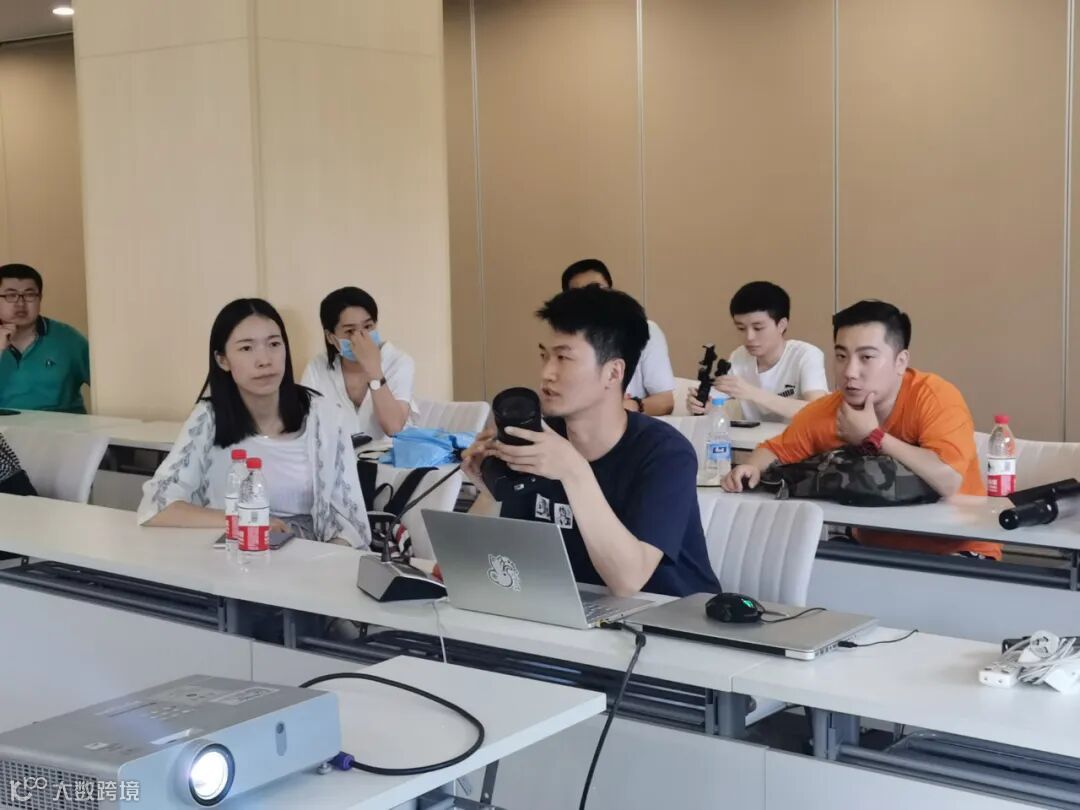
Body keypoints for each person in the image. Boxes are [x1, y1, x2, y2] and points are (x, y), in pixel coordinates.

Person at [462, 285, 720, 597]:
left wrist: (574, 471)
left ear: (613, 373)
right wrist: (491, 490)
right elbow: (472, 565)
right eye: (544, 356)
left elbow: (628, 581)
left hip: (667, 615)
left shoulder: (666, 453)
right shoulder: (539, 440)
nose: (547, 373)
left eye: (563, 358)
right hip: (573, 608)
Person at [722, 299, 998, 559]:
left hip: (956, 550)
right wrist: (752, 468)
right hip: (871, 550)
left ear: (900, 361)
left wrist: (874, 436)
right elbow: (775, 450)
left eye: (866, 357)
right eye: (841, 356)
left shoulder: (934, 397)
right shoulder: (831, 409)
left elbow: (949, 481)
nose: (850, 371)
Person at [138, 298, 370, 547]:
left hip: (306, 553)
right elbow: (156, 506)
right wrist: (246, 520)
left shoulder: (324, 416)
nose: (264, 360)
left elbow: (352, 523)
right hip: (229, 553)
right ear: (222, 360)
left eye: (274, 344)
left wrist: (318, 561)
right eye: (247, 348)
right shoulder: (208, 417)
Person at [688, 281, 828, 422]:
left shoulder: (806, 355)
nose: (749, 337)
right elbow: (716, 402)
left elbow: (818, 412)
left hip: (797, 436)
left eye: (758, 328)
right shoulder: (738, 356)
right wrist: (704, 406)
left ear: (781, 325)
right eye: (741, 328)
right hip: (753, 436)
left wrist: (751, 392)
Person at [301, 286, 417, 441]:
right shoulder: (317, 368)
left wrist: (373, 369)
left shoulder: (399, 361)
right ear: (330, 337)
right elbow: (306, 427)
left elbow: (394, 427)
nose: (361, 337)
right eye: (350, 331)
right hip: (341, 455)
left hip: (393, 454)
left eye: (368, 327)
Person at [562, 259, 675, 416]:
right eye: (579, 295)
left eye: (597, 290)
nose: (591, 299)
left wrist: (628, 406)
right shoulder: (563, 339)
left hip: (628, 424)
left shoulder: (643, 330)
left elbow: (665, 403)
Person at [0, 263, 90, 413]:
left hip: (61, 425)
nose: (20, 303)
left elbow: (110, 385)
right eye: (10, 295)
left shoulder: (69, 339)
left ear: (40, 298)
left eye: (30, 295)